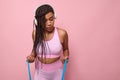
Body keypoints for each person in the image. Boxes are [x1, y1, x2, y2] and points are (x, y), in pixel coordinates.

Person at [26, 4, 69, 80]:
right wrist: (31, 57)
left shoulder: (62, 33)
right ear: (37, 22)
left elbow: (65, 49)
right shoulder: (35, 34)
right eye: (44, 21)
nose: (49, 23)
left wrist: (66, 57)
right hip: (40, 73)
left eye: (51, 19)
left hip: (57, 73)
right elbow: (35, 51)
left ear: (54, 17)